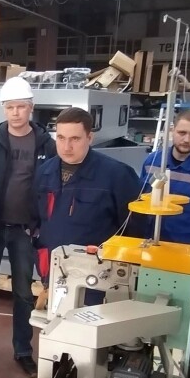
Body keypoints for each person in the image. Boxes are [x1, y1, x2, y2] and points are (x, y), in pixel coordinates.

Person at [0, 76, 56, 378]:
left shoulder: (46, 144)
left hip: (24, 231)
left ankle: (23, 351)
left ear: (31, 107)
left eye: (21, 106)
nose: (15, 112)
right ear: (3, 109)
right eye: (10, 107)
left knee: (23, 294)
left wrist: (41, 225)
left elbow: (51, 188)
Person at [34, 107, 141, 307]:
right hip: (56, 274)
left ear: (90, 138)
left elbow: (135, 230)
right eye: (61, 138)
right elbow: (39, 224)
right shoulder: (44, 173)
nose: (66, 146)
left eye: (75, 139)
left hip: (98, 280)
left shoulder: (116, 175)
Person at [139, 110, 190, 245]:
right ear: (172, 131)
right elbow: (142, 198)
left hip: (184, 244)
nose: (186, 140)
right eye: (182, 133)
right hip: (148, 240)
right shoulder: (153, 161)